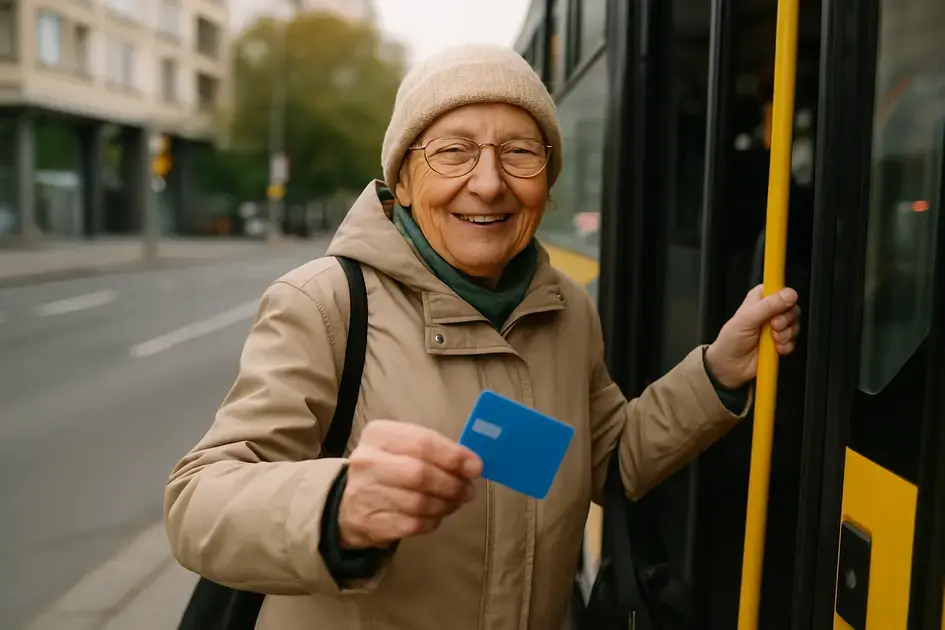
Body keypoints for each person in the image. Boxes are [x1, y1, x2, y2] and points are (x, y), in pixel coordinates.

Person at [164, 44, 801, 630]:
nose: (490, 182)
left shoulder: (567, 312)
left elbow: (610, 461)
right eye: (453, 151)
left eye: (520, 152)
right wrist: (336, 505)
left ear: (547, 184)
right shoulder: (326, 303)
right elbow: (197, 502)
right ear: (404, 181)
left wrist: (718, 369)